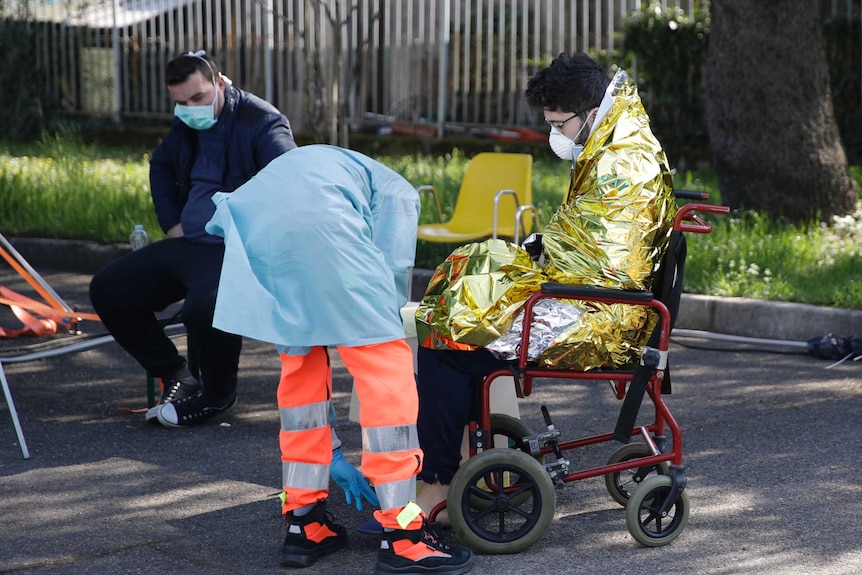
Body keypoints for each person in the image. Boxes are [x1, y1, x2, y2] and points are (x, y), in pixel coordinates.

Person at [414, 52, 678, 518]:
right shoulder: (616, 143)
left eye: (558, 123)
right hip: (592, 298)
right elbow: (589, 243)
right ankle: (453, 463)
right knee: (456, 301)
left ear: (591, 113)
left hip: (600, 315)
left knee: (446, 338)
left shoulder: (621, 163)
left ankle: (436, 482)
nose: (554, 134)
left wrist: (530, 267)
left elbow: (605, 268)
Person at [204, 144, 474, 574]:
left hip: (261, 229)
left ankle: (304, 523)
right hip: (319, 225)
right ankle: (404, 536)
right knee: (386, 373)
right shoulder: (401, 192)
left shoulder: (332, 166)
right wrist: (387, 325)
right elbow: (392, 269)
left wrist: (332, 456)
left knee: (301, 378)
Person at [88, 50, 297, 428]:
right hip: (190, 242)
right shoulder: (187, 120)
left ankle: (217, 394)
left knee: (205, 308)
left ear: (219, 83)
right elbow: (162, 165)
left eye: (198, 98)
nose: (190, 108)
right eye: (180, 102)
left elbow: (290, 179)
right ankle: (176, 374)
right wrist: (171, 222)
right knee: (108, 288)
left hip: (235, 245)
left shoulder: (261, 121)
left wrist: (250, 232)